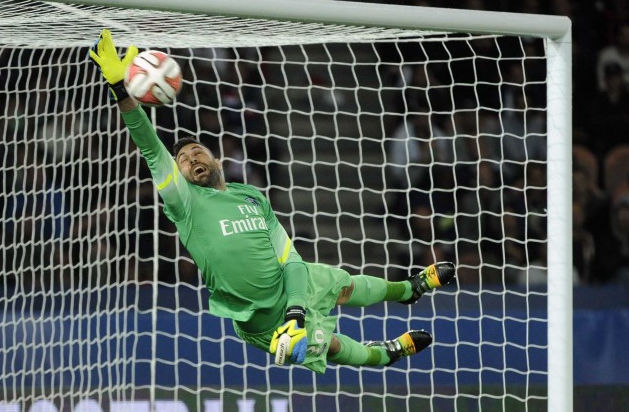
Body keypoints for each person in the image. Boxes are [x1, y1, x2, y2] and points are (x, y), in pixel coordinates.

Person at [89, 30, 456, 372]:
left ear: (217, 159)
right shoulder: (185, 202)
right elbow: (152, 151)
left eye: (197, 152)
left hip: (292, 284)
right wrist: (120, 90)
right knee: (326, 345)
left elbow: (289, 257)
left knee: (344, 284)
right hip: (257, 318)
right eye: (183, 161)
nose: (191, 160)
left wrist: (296, 307)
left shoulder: (250, 195)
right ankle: (384, 355)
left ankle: (410, 289)